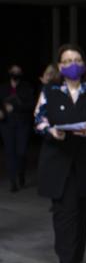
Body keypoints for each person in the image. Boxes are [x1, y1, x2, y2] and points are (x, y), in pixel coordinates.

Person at [34, 44, 86, 263]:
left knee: (81, 218)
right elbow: (39, 120)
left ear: (84, 64)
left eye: (77, 60)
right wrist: (52, 131)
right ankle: (66, 258)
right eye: (67, 61)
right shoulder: (50, 91)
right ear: (59, 66)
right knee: (65, 217)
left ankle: (75, 258)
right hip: (58, 165)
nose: (72, 65)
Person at [0, 64, 35, 192]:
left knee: (21, 152)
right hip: (7, 124)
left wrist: (15, 107)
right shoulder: (3, 88)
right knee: (10, 152)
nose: (15, 73)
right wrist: (2, 111)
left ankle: (21, 174)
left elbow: (31, 105)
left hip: (22, 124)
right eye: (13, 71)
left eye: (18, 71)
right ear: (9, 72)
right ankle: (13, 181)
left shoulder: (26, 88)